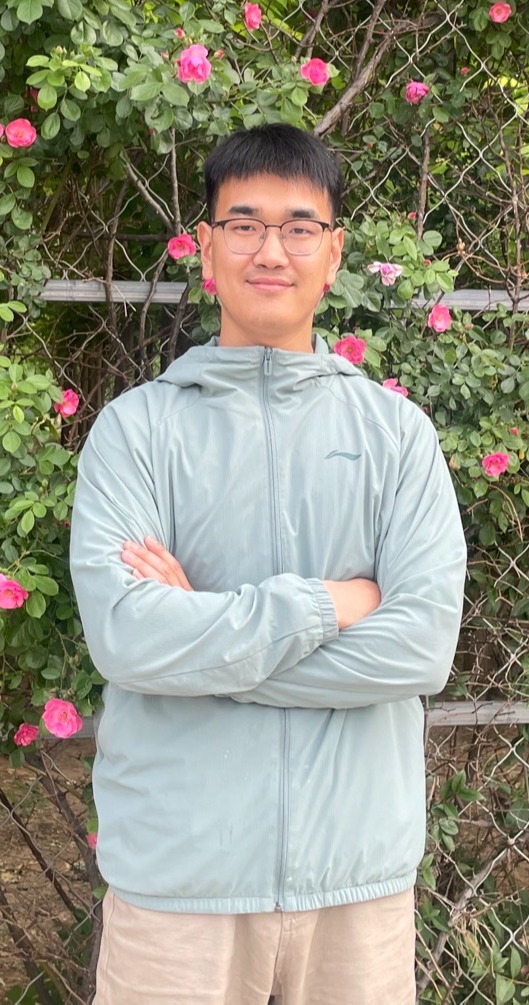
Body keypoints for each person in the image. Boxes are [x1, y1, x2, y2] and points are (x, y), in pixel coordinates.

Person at [70, 123, 467, 1005]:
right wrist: (330, 603)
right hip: (178, 883)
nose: (270, 250)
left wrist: (205, 645)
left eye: (297, 226)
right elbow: (129, 638)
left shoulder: (396, 437)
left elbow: (419, 648)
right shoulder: (136, 431)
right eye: (244, 224)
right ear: (206, 246)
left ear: (334, 252)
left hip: (356, 885)